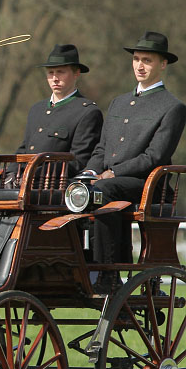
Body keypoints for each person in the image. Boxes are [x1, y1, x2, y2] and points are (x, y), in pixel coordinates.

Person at [79, 31, 186, 292]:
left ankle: (109, 274)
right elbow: (101, 148)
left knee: (102, 191)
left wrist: (112, 174)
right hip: (111, 180)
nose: (140, 65)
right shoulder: (118, 102)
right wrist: (88, 173)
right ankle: (78, 268)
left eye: (147, 60)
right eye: (137, 59)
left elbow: (155, 156)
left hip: (147, 184)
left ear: (163, 64)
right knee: (77, 189)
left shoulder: (172, 107)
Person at [11, 44, 102, 178]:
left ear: (76, 73)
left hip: (52, 186)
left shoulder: (87, 112)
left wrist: (33, 174)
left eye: (61, 72)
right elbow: (24, 149)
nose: (55, 78)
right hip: (25, 181)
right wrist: (10, 173)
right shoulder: (37, 109)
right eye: (50, 73)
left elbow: (78, 161)